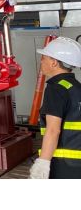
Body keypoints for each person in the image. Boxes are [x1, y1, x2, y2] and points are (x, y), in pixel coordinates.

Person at [30, 36, 81, 179]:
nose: (42, 61)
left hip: (64, 165)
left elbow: (53, 130)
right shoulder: (76, 87)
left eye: (44, 58)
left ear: (54, 63)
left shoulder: (56, 89)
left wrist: (43, 163)